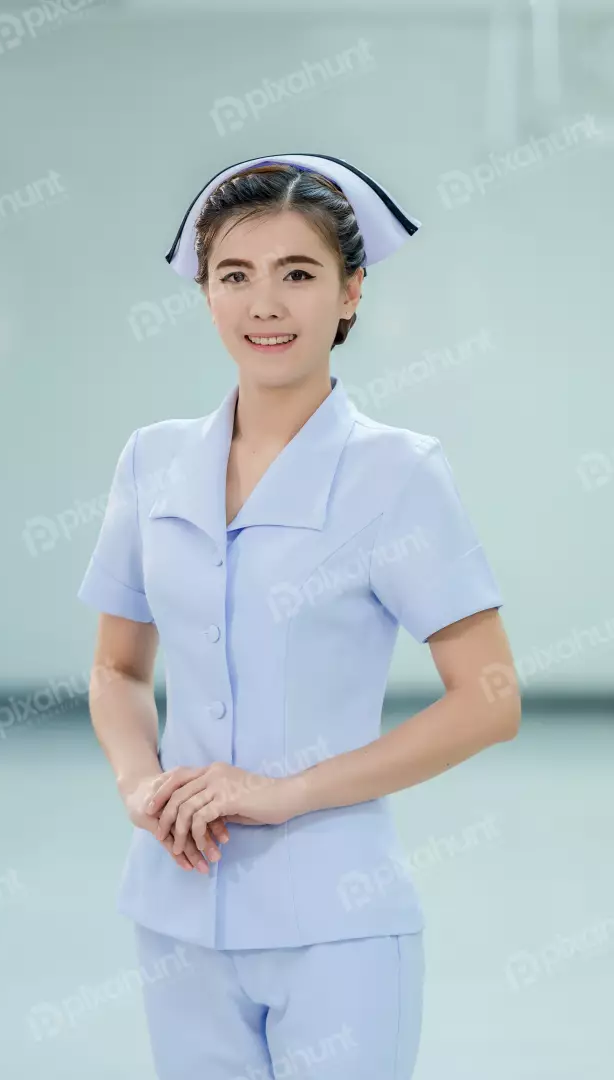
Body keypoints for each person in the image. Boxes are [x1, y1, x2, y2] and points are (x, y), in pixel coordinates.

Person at [77, 153, 521, 1080]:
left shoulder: (397, 473)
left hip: (339, 923)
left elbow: (489, 699)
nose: (264, 305)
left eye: (299, 274)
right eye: (235, 276)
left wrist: (280, 793)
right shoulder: (150, 461)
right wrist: (139, 785)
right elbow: (118, 669)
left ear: (351, 293)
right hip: (177, 915)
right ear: (205, 296)